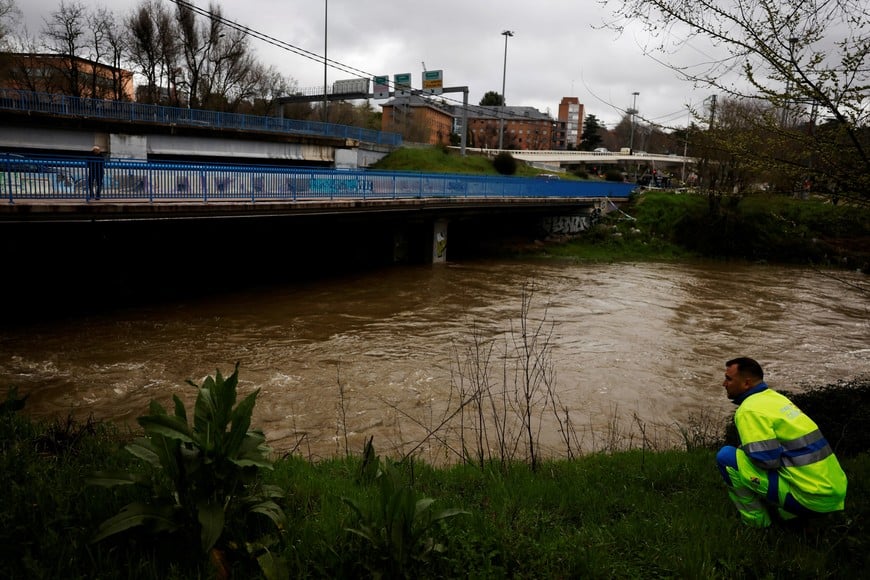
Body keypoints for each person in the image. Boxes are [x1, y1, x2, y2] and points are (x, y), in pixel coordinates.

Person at [716, 357, 847, 528]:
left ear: (746, 383)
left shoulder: (749, 410)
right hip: (834, 493)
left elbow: (766, 461)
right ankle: (789, 515)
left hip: (810, 499)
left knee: (726, 457)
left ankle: (756, 523)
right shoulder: (777, 399)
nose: (723, 383)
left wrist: (746, 453)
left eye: (729, 378)